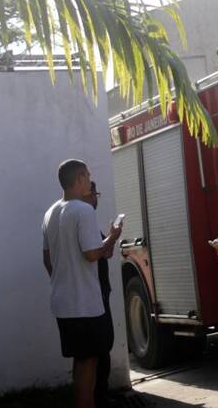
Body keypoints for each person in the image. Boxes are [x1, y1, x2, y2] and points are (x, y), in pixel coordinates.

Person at [42, 160, 122, 408]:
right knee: (88, 365)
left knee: (81, 361)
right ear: (78, 179)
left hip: (63, 302)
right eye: (87, 176)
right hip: (85, 304)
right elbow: (91, 254)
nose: (90, 180)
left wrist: (65, 279)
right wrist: (112, 237)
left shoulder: (51, 212)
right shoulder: (83, 210)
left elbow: (47, 259)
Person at [89, 182, 115, 408]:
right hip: (95, 297)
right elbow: (96, 253)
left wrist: (111, 237)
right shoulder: (83, 220)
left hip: (99, 294)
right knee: (100, 348)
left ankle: (100, 395)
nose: (97, 199)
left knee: (103, 347)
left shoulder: (87, 222)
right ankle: (99, 397)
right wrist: (113, 236)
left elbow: (106, 252)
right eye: (95, 194)